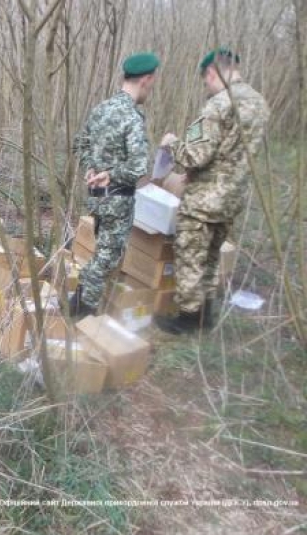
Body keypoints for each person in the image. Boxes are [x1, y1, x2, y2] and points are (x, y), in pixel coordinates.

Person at [156, 47, 270, 334]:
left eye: (205, 80)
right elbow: (232, 154)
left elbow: (195, 155)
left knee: (191, 255)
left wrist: (172, 143)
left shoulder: (218, 104)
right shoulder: (259, 104)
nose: (206, 86)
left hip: (204, 199)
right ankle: (205, 314)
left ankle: (188, 319)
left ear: (211, 72)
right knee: (210, 257)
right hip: (232, 198)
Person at [71, 52, 159, 317]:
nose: (151, 89)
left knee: (102, 253)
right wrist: (110, 174)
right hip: (118, 200)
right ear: (145, 80)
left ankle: (78, 306)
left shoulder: (102, 108)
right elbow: (138, 166)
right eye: (152, 83)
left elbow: (80, 144)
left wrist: (91, 167)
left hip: (96, 197)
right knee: (106, 259)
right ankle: (81, 315)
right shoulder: (132, 116)